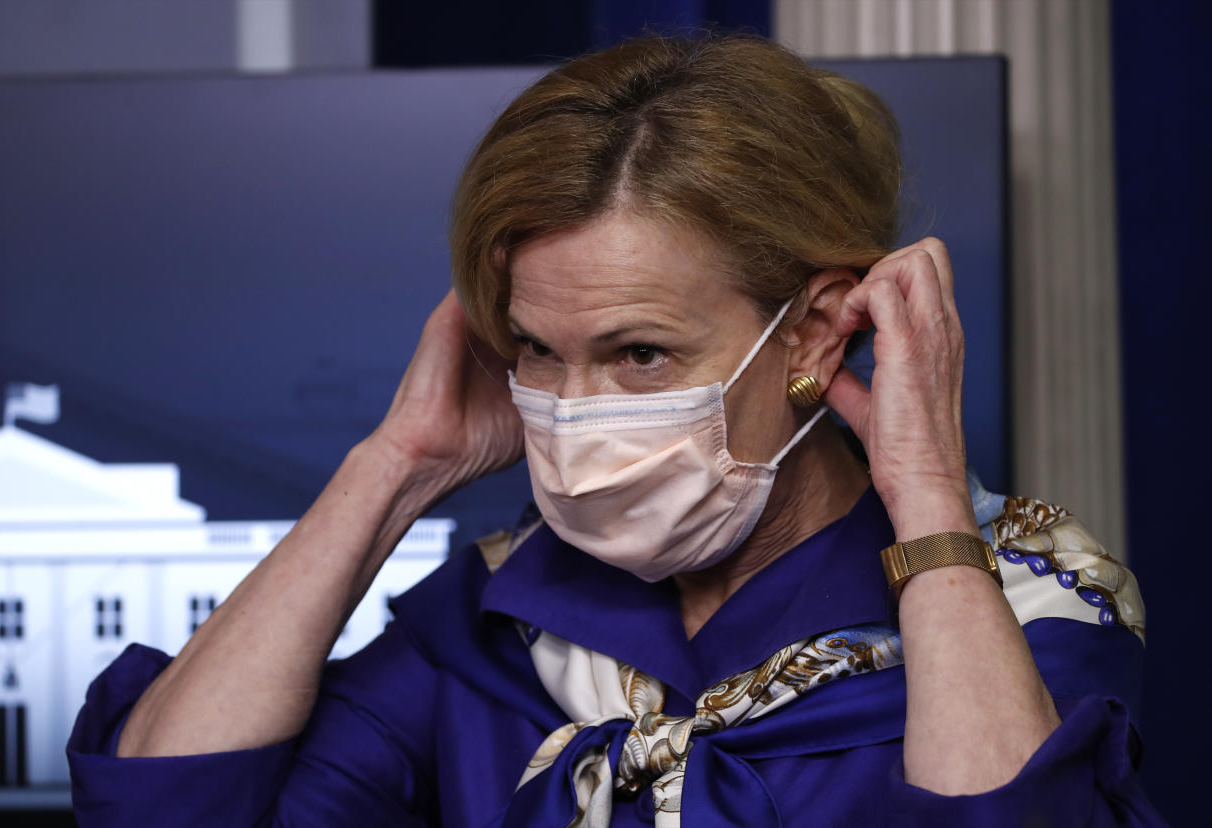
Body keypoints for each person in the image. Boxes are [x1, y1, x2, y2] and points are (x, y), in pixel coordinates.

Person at [67, 35, 1163, 826]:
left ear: (816, 334)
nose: (575, 411)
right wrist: (393, 470)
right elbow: (165, 805)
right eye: (540, 350)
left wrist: (924, 487)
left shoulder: (1023, 597)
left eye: (640, 354)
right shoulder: (498, 621)